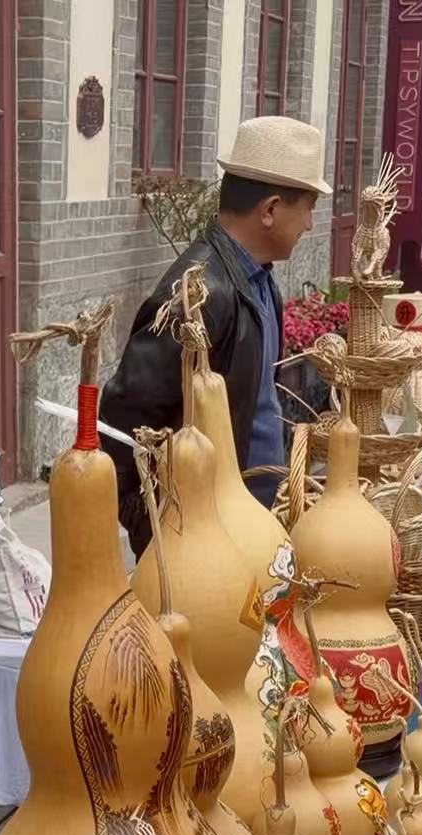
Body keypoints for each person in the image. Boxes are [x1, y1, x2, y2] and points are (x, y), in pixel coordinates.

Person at [101, 115, 329, 554]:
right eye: (308, 207)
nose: (310, 224)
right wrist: (156, 527)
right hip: (203, 541)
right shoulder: (200, 294)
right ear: (270, 209)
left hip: (247, 527)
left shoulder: (260, 281)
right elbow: (122, 421)